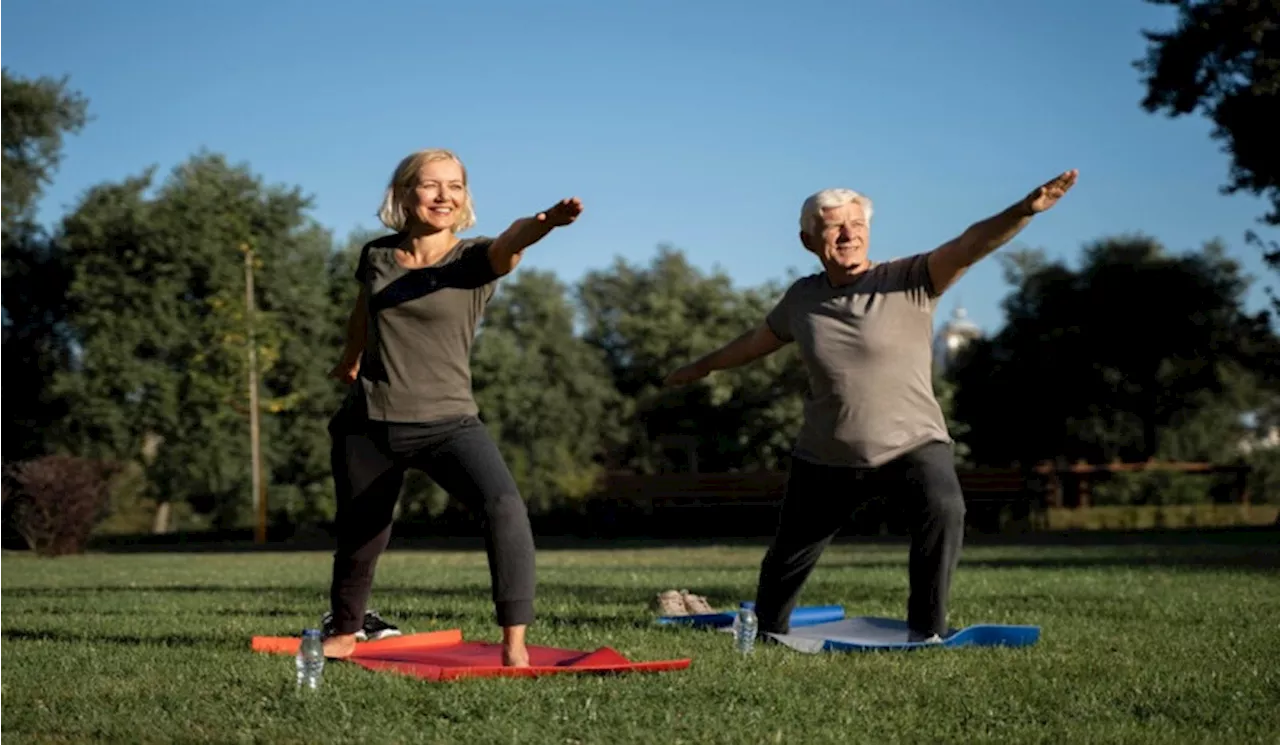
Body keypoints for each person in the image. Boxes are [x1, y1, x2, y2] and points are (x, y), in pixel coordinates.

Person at [663, 170, 1077, 642]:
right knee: (788, 556)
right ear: (808, 240)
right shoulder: (803, 297)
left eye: (857, 224)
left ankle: (928, 631)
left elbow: (970, 245)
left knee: (944, 508)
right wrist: (704, 366)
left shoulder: (910, 278)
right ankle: (768, 629)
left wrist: (1022, 211)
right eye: (835, 226)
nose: (849, 234)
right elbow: (758, 341)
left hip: (913, 442)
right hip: (827, 453)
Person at [323, 148, 583, 666]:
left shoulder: (473, 261)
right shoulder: (376, 254)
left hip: (447, 422)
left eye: (455, 186)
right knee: (363, 530)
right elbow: (363, 309)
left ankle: (514, 643)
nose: (444, 195)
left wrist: (546, 223)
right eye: (430, 185)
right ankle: (347, 630)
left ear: (465, 198)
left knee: (504, 507)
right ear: (404, 193)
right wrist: (350, 357)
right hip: (370, 420)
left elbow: (511, 242)